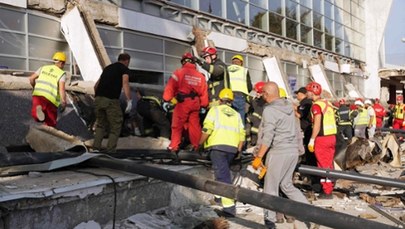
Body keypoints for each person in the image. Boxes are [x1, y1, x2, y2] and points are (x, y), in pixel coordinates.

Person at [251, 82, 309, 229]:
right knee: (286, 185)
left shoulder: (269, 111)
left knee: (270, 189)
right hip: (292, 152)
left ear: (266, 94)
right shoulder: (289, 106)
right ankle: (312, 215)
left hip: (278, 153)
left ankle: (270, 224)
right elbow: (296, 130)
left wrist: (259, 156)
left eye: (262, 93)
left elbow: (267, 136)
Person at [163, 52, 209, 153]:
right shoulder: (200, 76)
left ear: (183, 62)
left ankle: (174, 146)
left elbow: (170, 87)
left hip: (183, 103)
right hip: (195, 103)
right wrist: (204, 105)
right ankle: (197, 146)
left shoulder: (178, 73)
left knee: (177, 125)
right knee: (195, 126)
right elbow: (204, 93)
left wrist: (167, 99)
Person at [93, 53, 132, 153]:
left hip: (98, 99)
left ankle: (95, 149)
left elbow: (96, 86)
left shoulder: (107, 68)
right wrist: (129, 100)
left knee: (101, 125)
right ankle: (110, 151)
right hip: (111, 100)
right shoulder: (124, 69)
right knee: (116, 125)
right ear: (127, 61)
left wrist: (97, 97)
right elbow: (125, 83)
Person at [306, 82, 337, 199]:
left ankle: (327, 190)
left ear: (312, 92)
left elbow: (317, 124)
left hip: (322, 138)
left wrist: (312, 140)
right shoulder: (327, 103)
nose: (307, 93)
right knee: (329, 163)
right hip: (331, 137)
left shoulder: (316, 106)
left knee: (322, 164)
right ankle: (331, 184)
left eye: (308, 91)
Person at [29, 52, 67, 127]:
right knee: (51, 120)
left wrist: (34, 87)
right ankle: (49, 131)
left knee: (36, 115)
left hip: (38, 94)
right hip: (50, 98)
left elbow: (31, 78)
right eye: (64, 63)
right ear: (61, 63)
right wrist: (63, 102)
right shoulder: (61, 73)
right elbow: (61, 89)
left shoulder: (43, 67)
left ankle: (38, 114)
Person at [227, 54, 252, 123]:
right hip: (240, 96)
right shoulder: (244, 70)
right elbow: (249, 86)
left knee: (229, 116)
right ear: (241, 62)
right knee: (240, 118)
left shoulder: (227, 69)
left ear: (232, 62)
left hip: (229, 95)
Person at [294, 87, 314, 164]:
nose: (296, 96)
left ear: (302, 94)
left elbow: (300, 115)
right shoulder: (304, 103)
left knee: (306, 148)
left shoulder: (306, 103)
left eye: (298, 94)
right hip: (306, 129)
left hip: (306, 129)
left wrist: (291, 109)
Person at [245, 81, 266, 147]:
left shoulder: (258, 102)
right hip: (257, 129)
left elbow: (249, 99)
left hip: (256, 129)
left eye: (258, 92)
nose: (256, 94)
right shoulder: (260, 101)